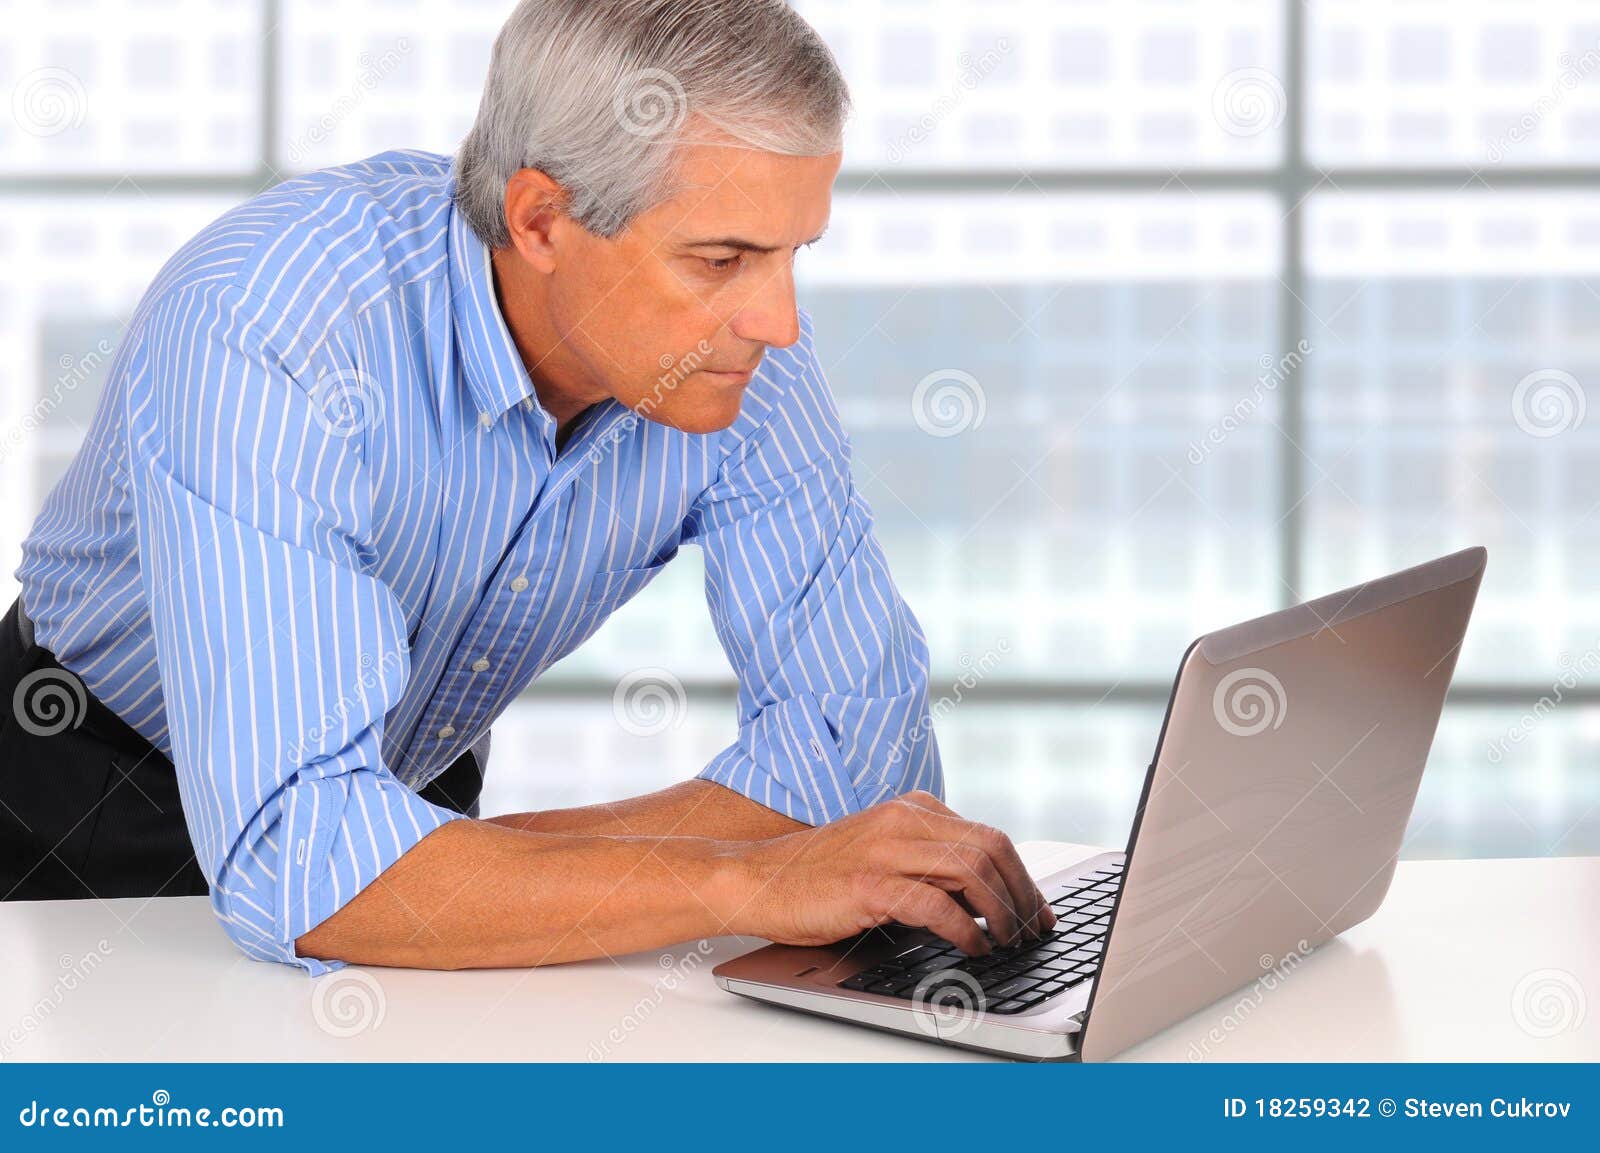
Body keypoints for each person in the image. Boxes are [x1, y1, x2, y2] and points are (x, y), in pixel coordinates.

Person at [1, 0, 1051, 975]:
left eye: (792, 253)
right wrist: (747, 873)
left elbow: (861, 762)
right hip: (87, 796)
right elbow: (300, 855)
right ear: (542, 220)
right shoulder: (275, 322)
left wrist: (442, 866)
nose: (777, 320)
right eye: (721, 257)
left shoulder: (736, 350)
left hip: (407, 798)